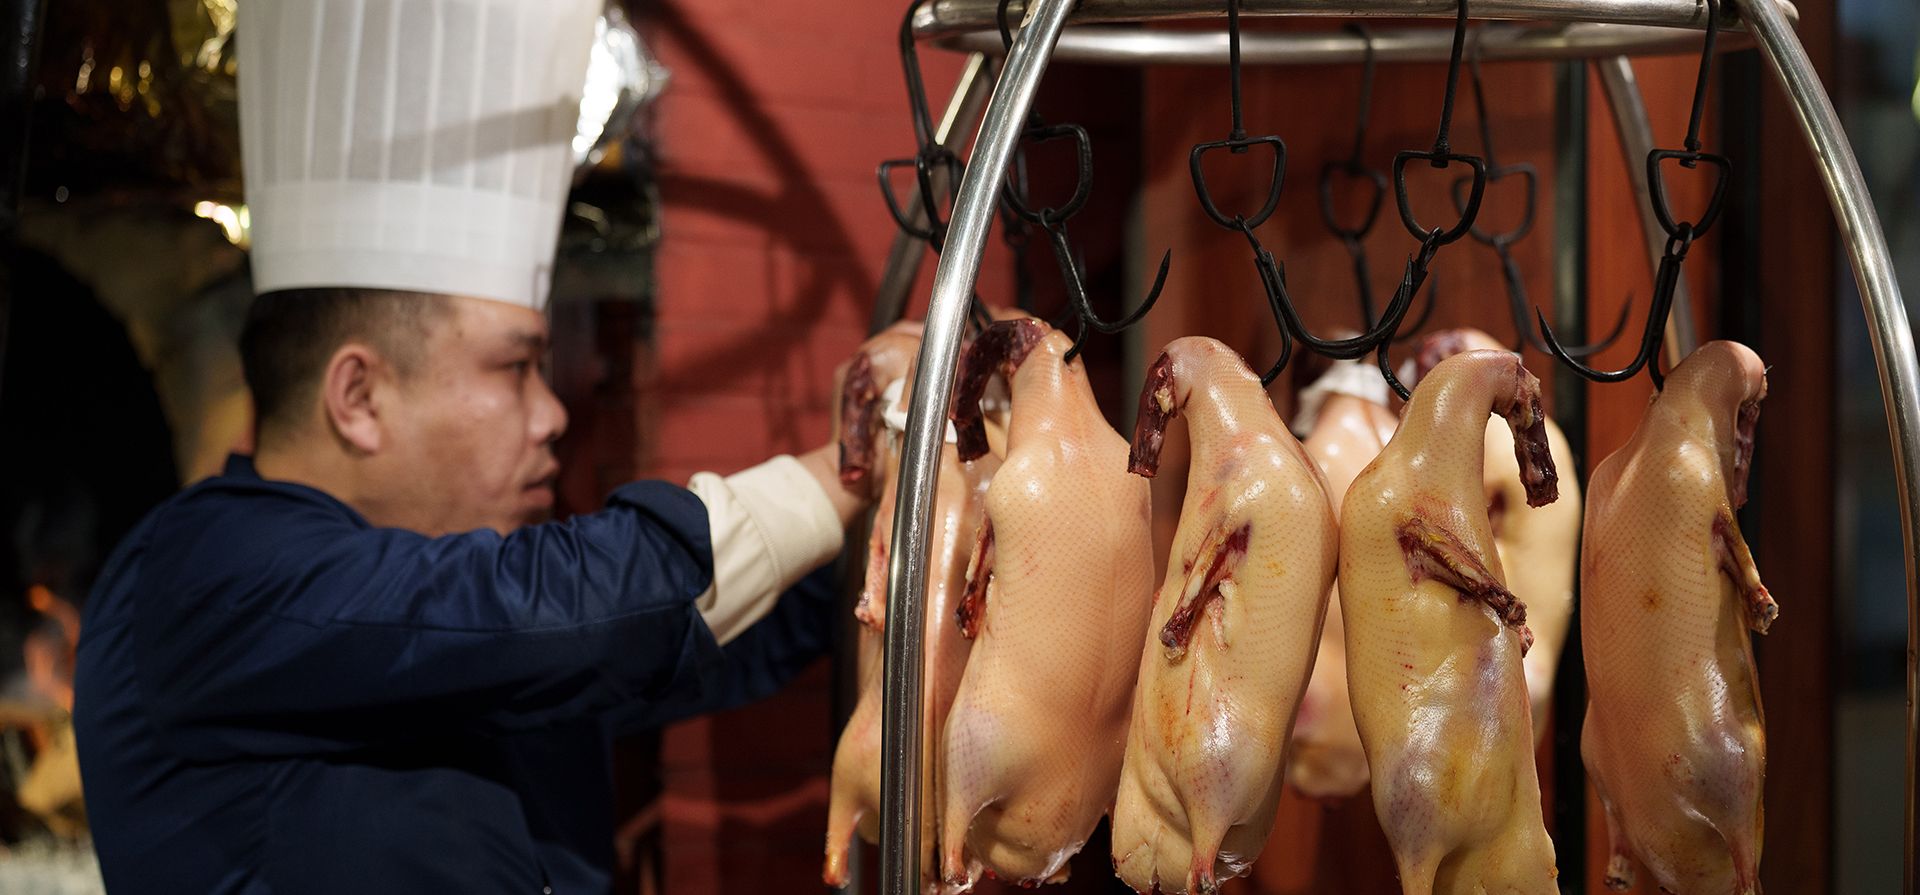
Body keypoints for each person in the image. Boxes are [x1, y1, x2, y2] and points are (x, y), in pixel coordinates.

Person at [71, 1, 876, 891]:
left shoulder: (483, 614)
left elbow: (703, 638)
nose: (552, 414)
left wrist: (890, 523)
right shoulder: (203, 570)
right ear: (360, 397)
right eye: (514, 368)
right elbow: (546, 611)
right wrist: (849, 463)